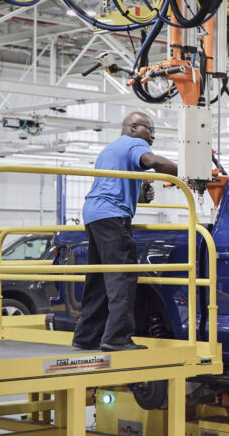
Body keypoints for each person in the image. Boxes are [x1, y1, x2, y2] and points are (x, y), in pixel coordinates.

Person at [72, 112, 178, 352]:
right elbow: (154, 162)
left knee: (99, 279)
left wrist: (141, 194)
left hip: (93, 214)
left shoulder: (109, 151)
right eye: (150, 130)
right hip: (112, 215)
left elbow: (115, 185)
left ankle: (87, 337)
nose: (152, 137)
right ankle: (117, 338)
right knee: (123, 277)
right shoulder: (134, 143)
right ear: (133, 127)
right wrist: (188, 172)